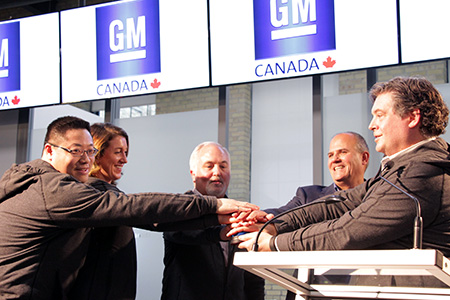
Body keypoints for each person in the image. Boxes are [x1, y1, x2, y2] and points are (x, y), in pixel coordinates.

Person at [0, 116, 259, 300]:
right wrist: (215, 206)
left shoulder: (48, 185)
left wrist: (218, 228)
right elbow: (143, 211)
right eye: (76, 150)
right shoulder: (63, 191)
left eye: (88, 151)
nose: (85, 159)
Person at [235, 77, 450, 281]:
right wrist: (273, 226)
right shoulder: (400, 170)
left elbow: (348, 230)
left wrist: (274, 244)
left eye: (380, 115)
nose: (372, 125)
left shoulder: (421, 173)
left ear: (412, 117)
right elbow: (340, 204)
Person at [161, 141, 265, 300]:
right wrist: (220, 231)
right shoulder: (179, 210)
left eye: (223, 167)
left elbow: (254, 278)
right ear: (193, 173)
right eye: (209, 166)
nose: (217, 172)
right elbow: (184, 233)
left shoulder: (241, 215)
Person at [264, 131, 370, 216]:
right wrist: (255, 214)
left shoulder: (377, 196)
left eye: (343, 152)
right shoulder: (309, 196)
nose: (335, 159)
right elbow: (281, 214)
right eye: (331, 155)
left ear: (364, 158)